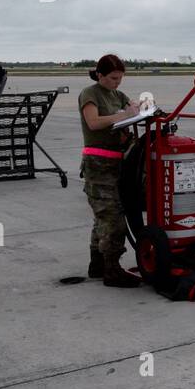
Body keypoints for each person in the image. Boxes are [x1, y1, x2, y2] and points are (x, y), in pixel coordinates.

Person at [79, 54, 142, 287]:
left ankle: (97, 264)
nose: (117, 82)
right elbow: (93, 122)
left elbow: (131, 106)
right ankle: (111, 269)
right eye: (113, 78)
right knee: (112, 218)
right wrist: (123, 115)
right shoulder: (90, 93)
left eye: (120, 78)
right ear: (100, 75)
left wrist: (136, 109)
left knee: (103, 217)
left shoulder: (118, 95)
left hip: (118, 162)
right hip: (98, 164)